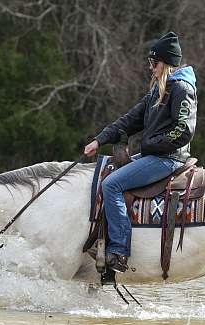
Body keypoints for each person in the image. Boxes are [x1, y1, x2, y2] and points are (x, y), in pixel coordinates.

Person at [83, 31, 198, 273]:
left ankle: (119, 252)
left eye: (153, 63)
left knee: (111, 185)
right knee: (107, 172)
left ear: (165, 63)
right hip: (154, 156)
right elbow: (129, 121)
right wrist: (99, 140)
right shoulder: (158, 91)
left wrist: (152, 144)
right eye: (150, 62)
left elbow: (184, 130)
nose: (150, 68)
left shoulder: (182, 89)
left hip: (169, 160)